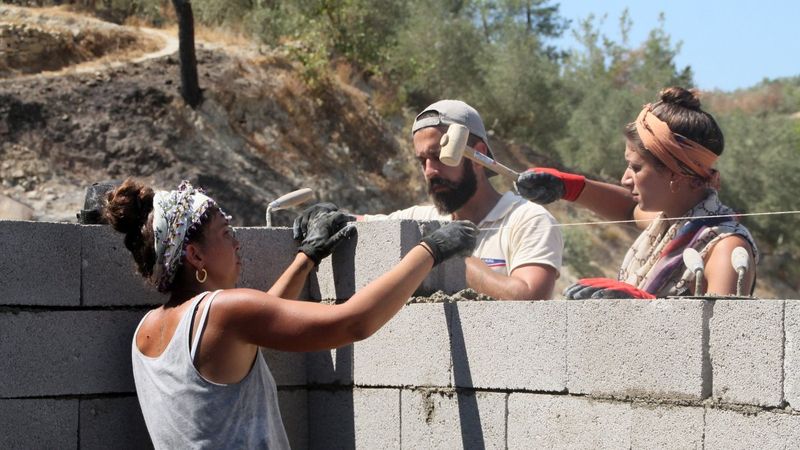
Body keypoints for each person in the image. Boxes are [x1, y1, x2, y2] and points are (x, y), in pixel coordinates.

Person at [104, 178, 477, 449]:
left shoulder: (147, 332)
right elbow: (354, 322)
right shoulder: (222, 312)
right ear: (195, 256)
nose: (237, 241)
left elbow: (258, 324)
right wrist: (428, 250)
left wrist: (308, 256)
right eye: (224, 232)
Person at [294, 100, 563, 300]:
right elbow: (366, 225)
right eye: (423, 160)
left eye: (439, 156)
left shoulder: (527, 219)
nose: (430, 171)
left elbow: (529, 299)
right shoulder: (424, 221)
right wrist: (331, 219)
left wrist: (451, 257)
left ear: (478, 155)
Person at [516, 87, 758, 299]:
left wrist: (643, 309)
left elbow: (726, 339)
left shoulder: (725, 248)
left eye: (636, 168)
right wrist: (570, 187)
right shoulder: (672, 222)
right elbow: (628, 209)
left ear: (677, 174)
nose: (625, 179)